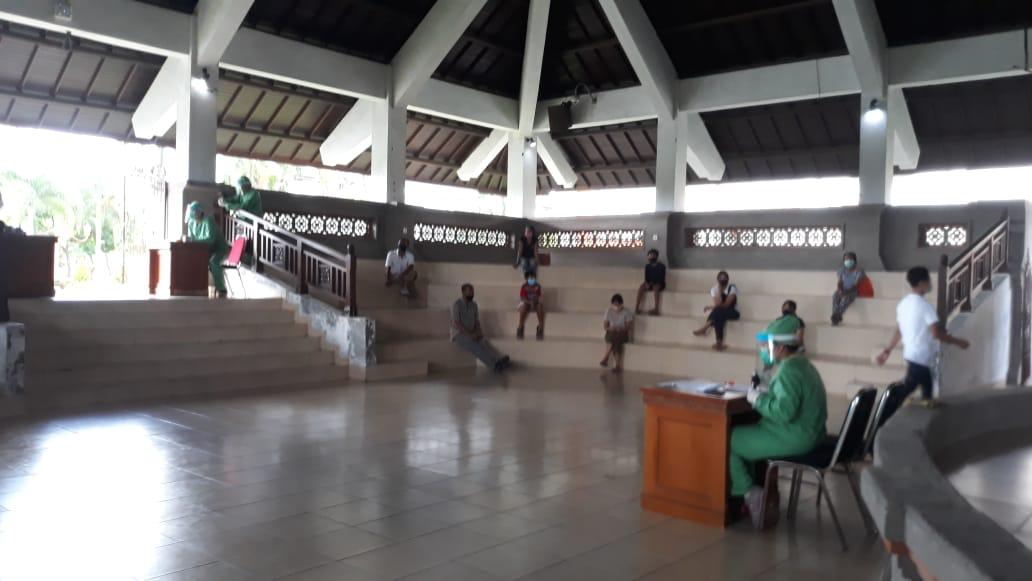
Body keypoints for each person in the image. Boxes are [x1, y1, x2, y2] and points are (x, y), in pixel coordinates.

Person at [731, 317, 828, 529]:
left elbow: (784, 412)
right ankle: (750, 495)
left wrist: (758, 400)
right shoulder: (803, 365)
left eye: (767, 345)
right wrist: (766, 390)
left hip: (794, 436)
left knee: (729, 439)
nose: (764, 350)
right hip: (810, 434)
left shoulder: (788, 371)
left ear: (781, 347)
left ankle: (749, 492)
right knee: (747, 435)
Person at [876, 266, 969, 401]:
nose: (930, 283)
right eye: (928, 280)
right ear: (921, 283)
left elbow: (899, 331)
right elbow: (936, 334)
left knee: (926, 387)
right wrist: (958, 342)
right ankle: (886, 408)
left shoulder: (903, 304)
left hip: (911, 354)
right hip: (921, 356)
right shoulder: (925, 306)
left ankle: (925, 404)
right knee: (907, 388)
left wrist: (887, 351)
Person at [451, 283, 511, 372]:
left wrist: (479, 332)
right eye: (469, 291)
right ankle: (494, 365)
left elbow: (476, 321)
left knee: (483, 342)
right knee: (475, 346)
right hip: (459, 334)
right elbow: (457, 323)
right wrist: (470, 335)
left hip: (472, 332)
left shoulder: (474, 305)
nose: (472, 293)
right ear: (463, 292)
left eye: (472, 291)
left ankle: (499, 359)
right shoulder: (457, 304)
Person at [185, 201, 230, 298]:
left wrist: (194, 241)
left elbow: (210, 239)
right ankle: (195, 287)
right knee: (194, 262)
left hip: (218, 249)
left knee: (213, 262)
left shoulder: (209, 221)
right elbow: (190, 239)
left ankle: (221, 288)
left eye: (195, 214)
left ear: (199, 212)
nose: (194, 217)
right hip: (204, 251)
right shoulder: (191, 223)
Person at [693, 271, 739, 351]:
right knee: (718, 315)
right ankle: (719, 343)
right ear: (717, 279)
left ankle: (705, 327)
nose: (723, 279)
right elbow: (718, 304)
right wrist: (719, 291)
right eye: (721, 278)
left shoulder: (732, 288)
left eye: (724, 278)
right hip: (720, 313)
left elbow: (726, 305)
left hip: (732, 312)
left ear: (728, 279)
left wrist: (710, 307)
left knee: (718, 312)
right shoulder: (714, 289)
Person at [601, 294, 634, 372]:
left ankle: (606, 357)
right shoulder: (608, 311)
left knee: (616, 338)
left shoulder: (626, 311)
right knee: (615, 339)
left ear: (621, 304)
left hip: (622, 334)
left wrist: (621, 329)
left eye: (618, 304)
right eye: (614, 304)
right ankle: (617, 366)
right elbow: (605, 327)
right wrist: (611, 328)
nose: (616, 306)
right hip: (611, 333)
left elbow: (629, 327)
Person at [832, 251, 865, 325]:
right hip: (843, 289)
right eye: (846, 259)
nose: (848, 261)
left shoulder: (859, 270)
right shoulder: (841, 270)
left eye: (850, 259)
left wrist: (846, 292)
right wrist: (840, 290)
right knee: (835, 296)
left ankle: (836, 316)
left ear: (854, 260)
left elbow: (856, 284)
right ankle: (836, 315)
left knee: (846, 298)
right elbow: (840, 282)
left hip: (853, 290)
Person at [635, 248, 666, 315]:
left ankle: (656, 309)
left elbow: (661, 278)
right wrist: (647, 283)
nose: (651, 257)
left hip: (659, 284)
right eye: (650, 255)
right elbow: (646, 277)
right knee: (641, 287)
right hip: (650, 283)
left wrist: (652, 283)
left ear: (656, 256)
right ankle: (637, 308)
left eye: (653, 255)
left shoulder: (661, 266)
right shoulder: (647, 266)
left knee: (655, 287)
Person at [517, 272, 545, 340]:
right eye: (530, 278)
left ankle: (540, 328)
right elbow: (522, 298)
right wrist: (530, 302)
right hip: (526, 302)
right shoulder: (524, 286)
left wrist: (534, 302)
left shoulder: (537, 286)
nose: (532, 279)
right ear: (527, 279)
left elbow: (538, 297)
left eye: (533, 278)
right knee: (523, 308)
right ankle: (520, 327)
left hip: (534, 302)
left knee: (540, 307)